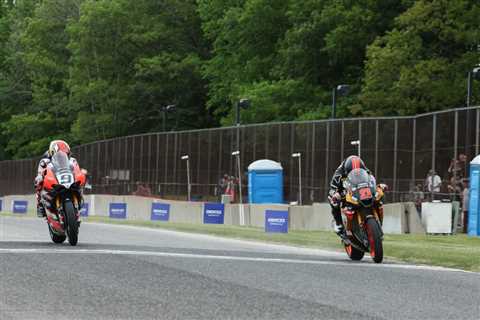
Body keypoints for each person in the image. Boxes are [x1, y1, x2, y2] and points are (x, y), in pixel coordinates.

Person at [327, 155, 382, 241]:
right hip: (344, 190)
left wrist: (376, 187)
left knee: (378, 197)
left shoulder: (364, 169)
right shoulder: (339, 174)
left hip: (359, 190)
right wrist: (335, 194)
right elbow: (332, 188)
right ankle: (339, 224)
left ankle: (376, 224)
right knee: (333, 201)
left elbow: (371, 180)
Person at [34, 140, 82, 217]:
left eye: (65, 153)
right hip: (53, 180)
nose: (62, 155)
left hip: (67, 179)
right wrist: (40, 175)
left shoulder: (72, 160)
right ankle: (40, 204)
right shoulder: (45, 161)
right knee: (37, 181)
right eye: (59, 153)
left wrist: (80, 174)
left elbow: (77, 169)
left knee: (80, 183)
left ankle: (79, 197)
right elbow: (40, 171)